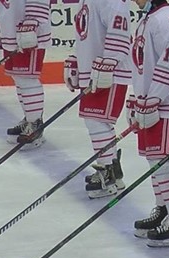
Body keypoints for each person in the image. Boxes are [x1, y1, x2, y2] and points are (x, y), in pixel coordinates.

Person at [127, 0, 169, 247]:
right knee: (154, 160)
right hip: (150, 102)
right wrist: (137, 99)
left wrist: (153, 99)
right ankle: (164, 208)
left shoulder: (167, 19)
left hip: (164, 104)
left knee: (163, 161)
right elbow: (142, 64)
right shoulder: (148, 17)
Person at [65, 0, 132, 198]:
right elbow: (86, 34)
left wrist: (109, 64)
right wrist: (78, 59)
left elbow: (119, 35)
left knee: (98, 121)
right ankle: (111, 168)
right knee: (95, 121)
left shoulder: (112, 2)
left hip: (110, 73)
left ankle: (107, 172)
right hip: (95, 70)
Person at [0, 0, 50, 145]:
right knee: (18, 77)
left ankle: (35, 123)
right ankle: (29, 118)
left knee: (27, 77)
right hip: (10, 28)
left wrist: (33, 21)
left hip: (29, 31)